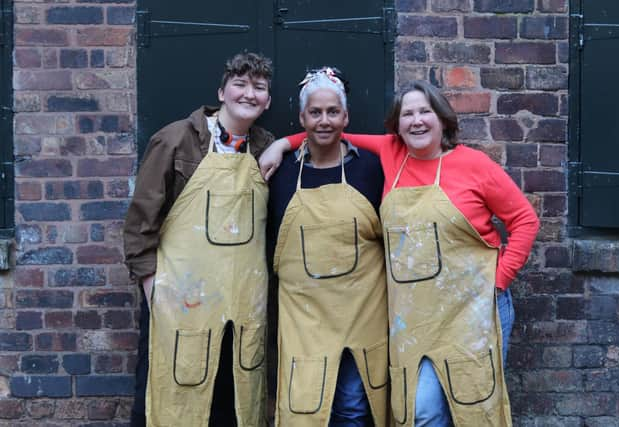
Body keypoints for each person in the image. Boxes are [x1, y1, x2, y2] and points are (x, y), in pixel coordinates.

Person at [260, 80, 540, 426]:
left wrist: (498, 281)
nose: (417, 121)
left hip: (474, 307)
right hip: (417, 313)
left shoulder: (474, 164)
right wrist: (281, 144)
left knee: (474, 407)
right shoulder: (392, 153)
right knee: (421, 410)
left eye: (425, 112)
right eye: (408, 114)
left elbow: (525, 220)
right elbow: (328, 132)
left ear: (442, 119)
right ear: (397, 125)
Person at [124, 52, 274, 427]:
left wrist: (287, 145)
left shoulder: (266, 147)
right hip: (179, 299)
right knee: (167, 391)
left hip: (240, 302)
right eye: (240, 84)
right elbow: (141, 218)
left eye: (259, 88)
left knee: (230, 399)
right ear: (221, 92)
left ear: (268, 101)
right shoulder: (175, 140)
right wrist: (152, 287)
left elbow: (321, 135)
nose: (249, 94)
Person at [267, 67, 388, 426]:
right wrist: (281, 144)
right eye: (315, 112)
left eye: (332, 112)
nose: (324, 120)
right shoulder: (281, 171)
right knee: (306, 407)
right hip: (304, 318)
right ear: (302, 117)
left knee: (352, 406)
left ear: (345, 117)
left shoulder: (372, 168)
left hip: (360, 312)